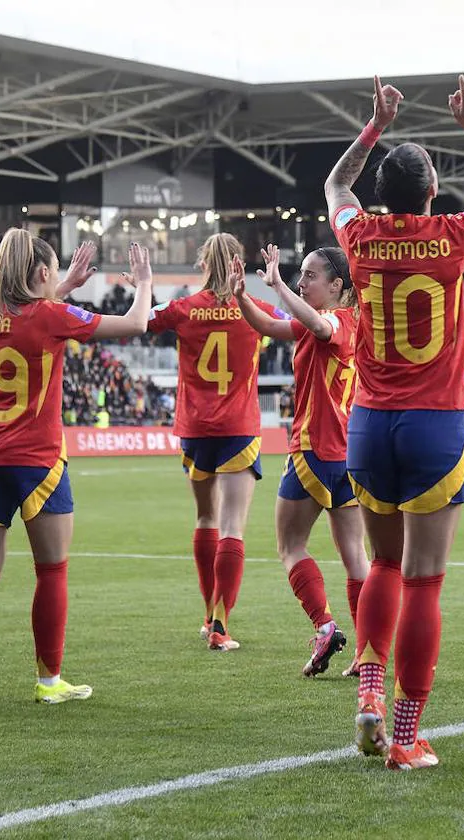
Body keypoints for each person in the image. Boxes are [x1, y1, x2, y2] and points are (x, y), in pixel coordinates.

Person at [325, 74, 464, 769]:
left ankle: (368, 694)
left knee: (383, 563)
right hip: (434, 424)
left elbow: (335, 185)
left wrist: (375, 123)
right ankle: (408, 734)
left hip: (366, 423)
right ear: (433, 187)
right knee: (424, 579)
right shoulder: (453, 234)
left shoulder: (357, 234)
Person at [0, 237, 153, 715]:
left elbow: (25, 315)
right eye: (53, 270)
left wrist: (62, 286)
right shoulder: (52, 316)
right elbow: (137, 322)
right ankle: (49, 680)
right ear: (40, 274)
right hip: (37, 460)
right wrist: (142, 282)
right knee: (52, 569)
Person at [233, 243, 369, 677]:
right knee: (355, 555)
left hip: (314, 449)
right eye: (300, 275)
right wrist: (241, 297)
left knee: (290, 546)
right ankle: (368, 651)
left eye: (310, 275)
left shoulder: (337, 321)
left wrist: (274, 285)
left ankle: (325, 625)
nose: (301, 281)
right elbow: (272, 326)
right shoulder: (340, 321)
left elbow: (318, 324)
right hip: (349, 454)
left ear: (337, 285)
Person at [146, 232, 277, 652]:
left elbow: (140, 321)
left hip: (195, 427)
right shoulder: (254, 311)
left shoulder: (183, 309)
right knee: (233, 525)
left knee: (206, 520)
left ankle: (208, 615)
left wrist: (143, 286)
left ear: (203, 264)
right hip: (238, 427)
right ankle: (221, 624)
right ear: (238, 265)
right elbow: (297, 323)